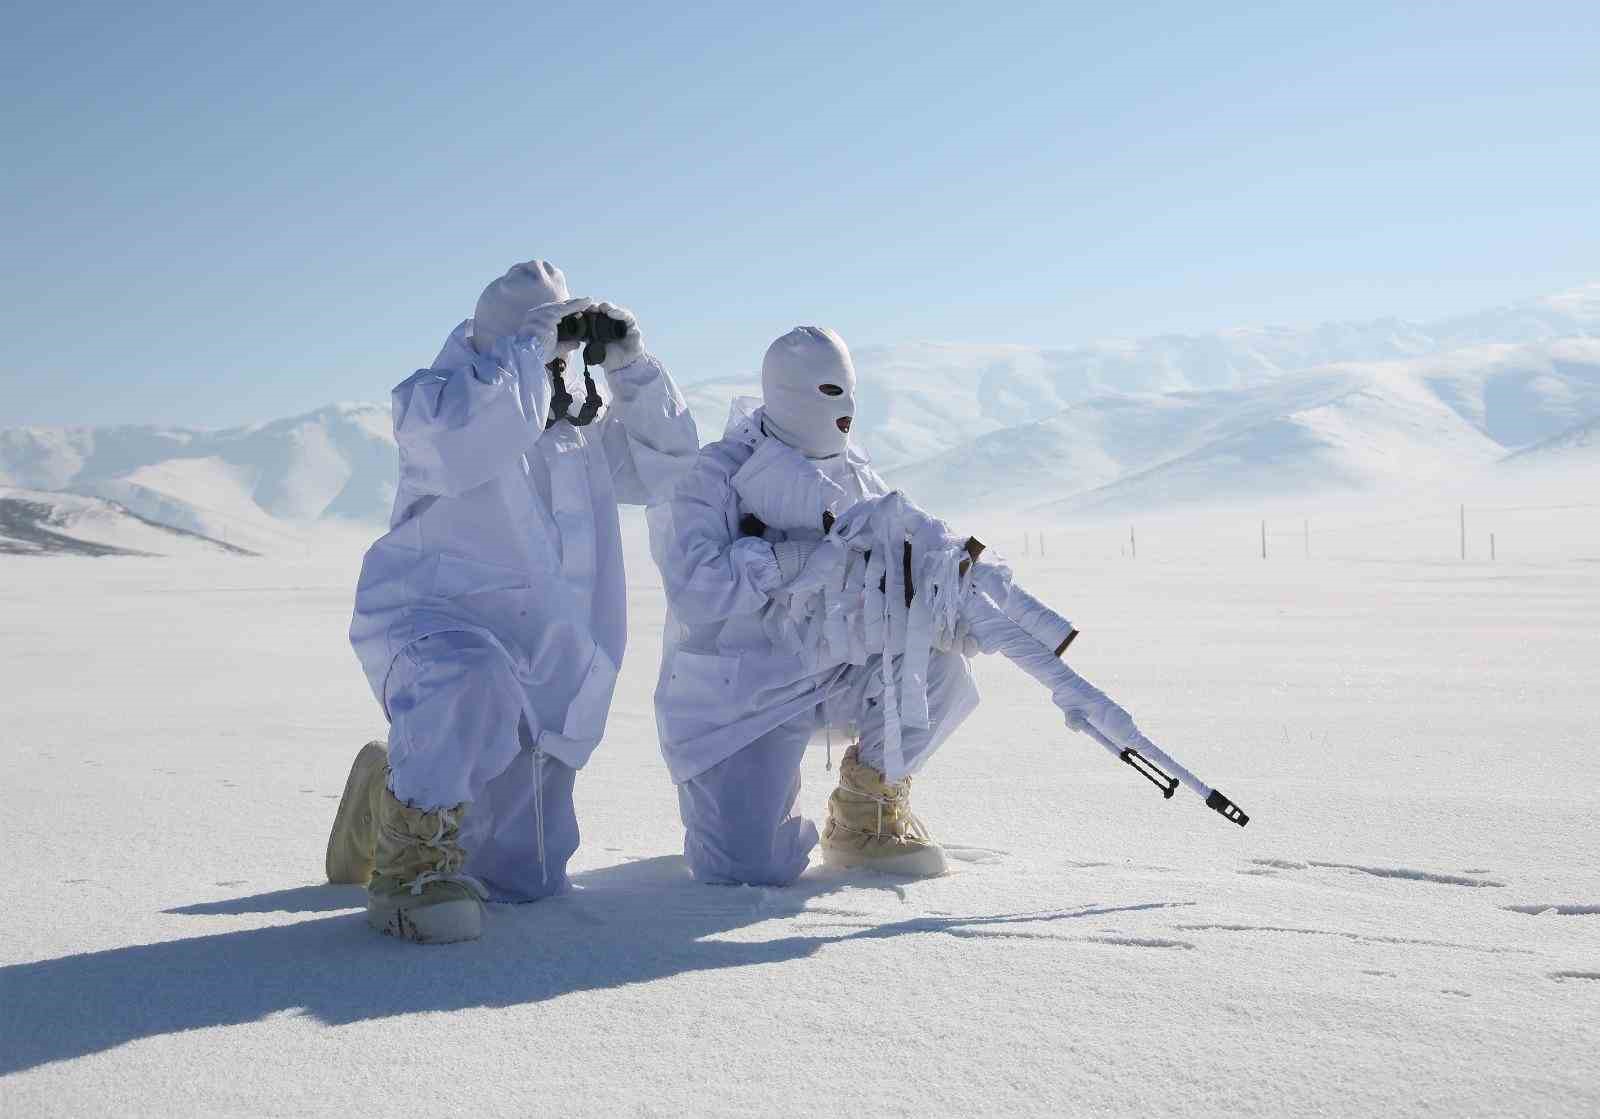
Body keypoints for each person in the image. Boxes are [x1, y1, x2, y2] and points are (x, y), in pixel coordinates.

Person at [326, 259, 699, 943]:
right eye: (547, 340)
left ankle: (388, 791)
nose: (559, 360)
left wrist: (633, 369)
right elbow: (463, 442)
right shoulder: (437, 403)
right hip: (440, 643)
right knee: (474, 680)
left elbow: (671, 469)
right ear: (508, 342)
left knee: (522, 880)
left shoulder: (576, 433)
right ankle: (408, 856)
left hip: (544, 672)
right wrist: (530, 351)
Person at [649, 326, 983, 885]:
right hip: (738, 693)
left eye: (848, 390)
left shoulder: (854, 472)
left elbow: (902, 543)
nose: (845, 408)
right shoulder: (713, 474)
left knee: (938, 665)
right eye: (829, 390)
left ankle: (864, 812)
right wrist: (797, 560)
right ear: (784, 392)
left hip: (831, 671)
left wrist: (949, 595)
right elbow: (695, 586)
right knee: (748, 870)